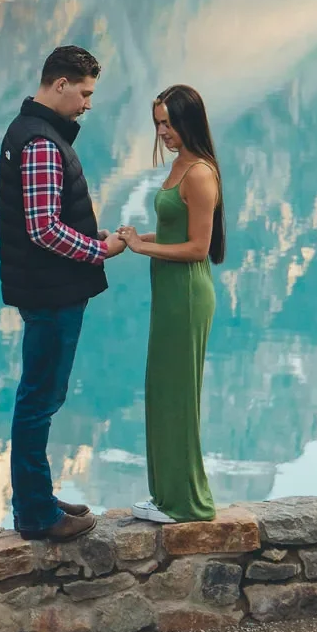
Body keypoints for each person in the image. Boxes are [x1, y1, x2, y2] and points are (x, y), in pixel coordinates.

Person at [0, 43, 125, 540]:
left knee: (41, 396)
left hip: (44, 288)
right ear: (59, 85)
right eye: (84, 93)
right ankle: (35, 514)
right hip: (51, 293)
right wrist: (101, 248)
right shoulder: (41, 143)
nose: (87, 104)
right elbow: (44, 228)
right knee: (39, 400)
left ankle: (39, 496)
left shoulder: (27, 132)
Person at [120, 83, 225, 524]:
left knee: (179, 395)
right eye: (158, 123)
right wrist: (141, 237)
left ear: (189, 121)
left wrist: (145, 251)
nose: (163, 131)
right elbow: (177, 232)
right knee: (163, 390)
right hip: (169, 293)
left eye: (169, 122)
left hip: (186, 294)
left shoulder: (199, 172)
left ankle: (187, 505)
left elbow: (199, 248)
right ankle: (166, 495)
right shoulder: (180, 165)